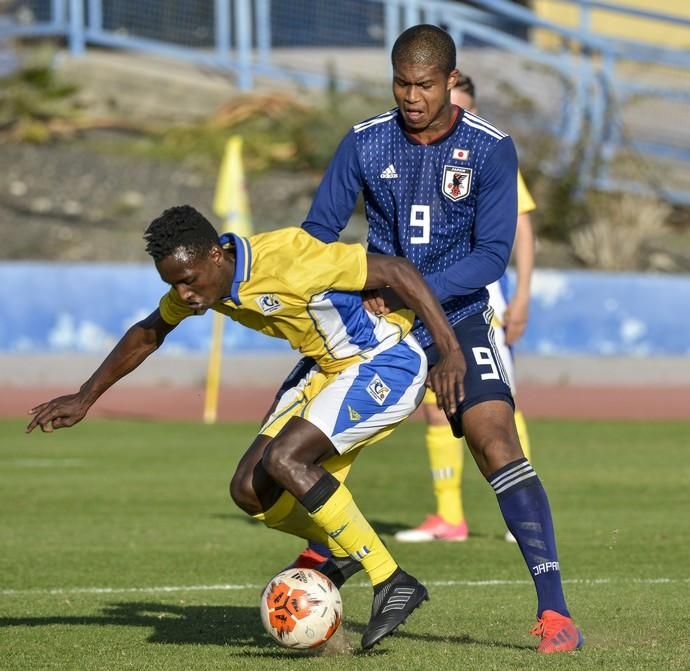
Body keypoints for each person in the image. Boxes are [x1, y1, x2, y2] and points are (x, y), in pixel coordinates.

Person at [25, 204, 467, 651]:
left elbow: (397, 269)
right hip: (325, 369)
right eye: (174, 284)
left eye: (189, 280)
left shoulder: (289, 258)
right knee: (249, 491)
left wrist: (449, 352)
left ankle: (391, 580)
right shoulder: (203, 283)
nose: (186, 294)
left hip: (382, 360)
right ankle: (346, 545)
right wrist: (85, 396)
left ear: (216, 255)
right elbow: (148, 332)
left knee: (285, 459)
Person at [292, 24, 583, 653]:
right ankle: (325, 562)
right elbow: (318, 233)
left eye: (424, 84)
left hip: (460, 318)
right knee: (302, 454)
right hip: (378, 326)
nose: (411, 95)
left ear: (451, 81)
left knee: (496, 439)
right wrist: (320, 293)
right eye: (401, 82)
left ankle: (555, 613)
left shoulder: (490, 149)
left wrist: (409, 288)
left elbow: (490, 257)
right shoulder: (366, 143)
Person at [394, 73, 536, 545]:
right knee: (437, 408)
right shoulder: (416, 153)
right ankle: (449, 517)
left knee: (499, 406)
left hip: (481, 295)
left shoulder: (490, 152)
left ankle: (524, 513)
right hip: (431, 294)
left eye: (461, 105)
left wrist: (523, 293)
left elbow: (521, 225)